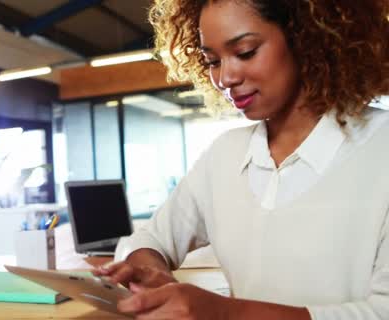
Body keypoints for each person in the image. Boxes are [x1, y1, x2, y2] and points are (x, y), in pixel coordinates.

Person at [93, 0, 389, 319]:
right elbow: (150, 238)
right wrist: (146, 268)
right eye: (212, 60)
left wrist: (226, 314)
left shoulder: (380, 147)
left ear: (308, 38)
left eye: (245, 52)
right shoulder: (224, 155)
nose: (225, 78)